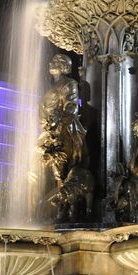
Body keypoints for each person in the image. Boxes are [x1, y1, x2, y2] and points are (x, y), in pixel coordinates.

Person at [37, 54, 88, 187]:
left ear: (64, 66)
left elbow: (71, 107)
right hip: (49, 128)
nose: (50, 63)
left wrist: (56, 123)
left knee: (54, 156)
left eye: (55, 61)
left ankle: (62, 185)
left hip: (61, 127)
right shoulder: (53, 86)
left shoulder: (69, 83)